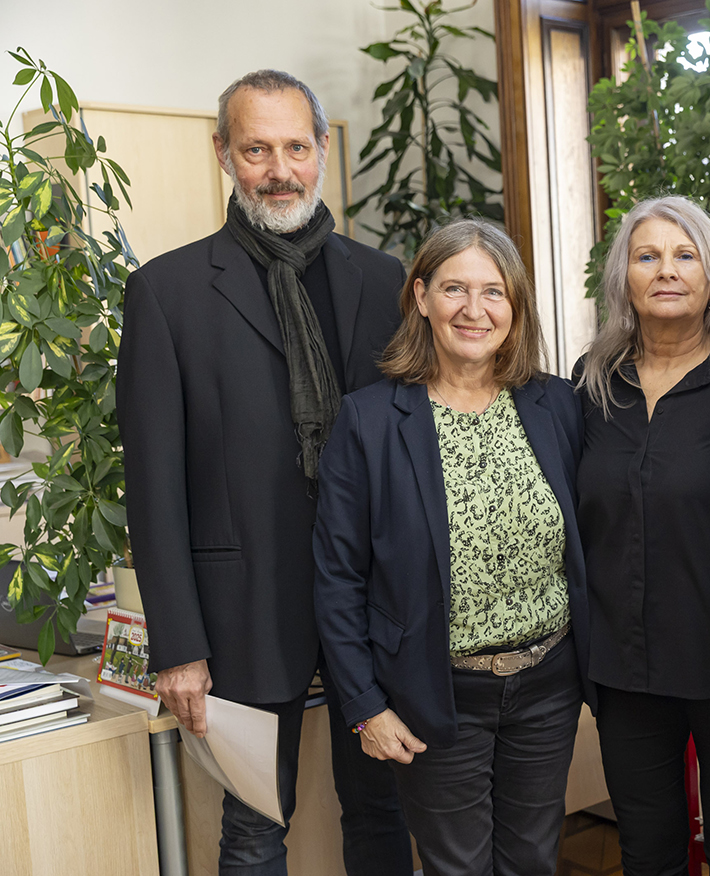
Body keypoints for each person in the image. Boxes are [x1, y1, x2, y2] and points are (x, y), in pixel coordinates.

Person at [118, 70, 411, 875]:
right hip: (238, 609)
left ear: (322, 152)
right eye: (256, 149)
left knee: (382, 816)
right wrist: (177, 644)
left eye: (294, 147)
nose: (278, 169)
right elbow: (153, 486)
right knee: (253, 830)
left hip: (372, 602)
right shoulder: (165, 294)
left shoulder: (384, 282)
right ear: (223, 154)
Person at [313, 219, 593, 876]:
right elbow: (336, 577)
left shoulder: (556, 404)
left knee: (532, 861)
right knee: (456, 867)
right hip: (437, 694)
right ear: (421, 296)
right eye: (454, 289)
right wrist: (365, 707)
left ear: (515, 306)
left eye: (493, 292)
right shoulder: (372, 420)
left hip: (548, 685)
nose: (474, 309)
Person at [574, 195, 710, 876]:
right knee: (647, 851)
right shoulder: (591, 384)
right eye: (647, 256)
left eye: (684, 255)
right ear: (624, 279)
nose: (665, 270)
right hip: (623, 664)